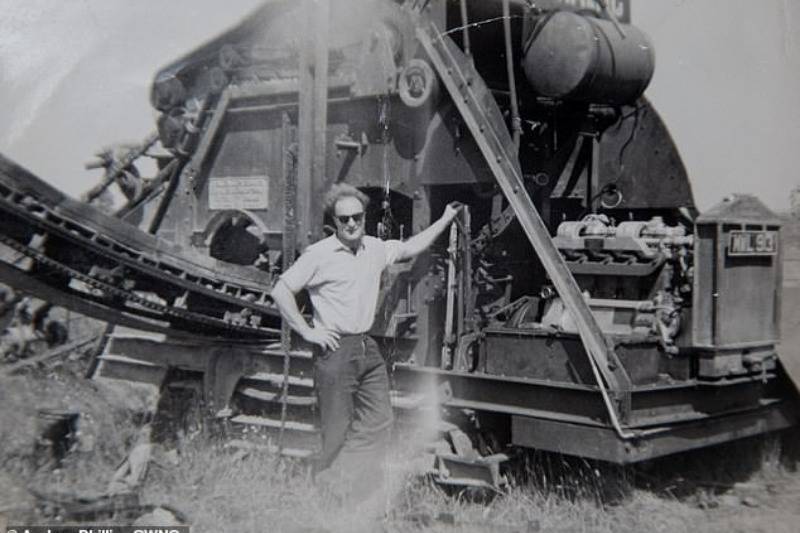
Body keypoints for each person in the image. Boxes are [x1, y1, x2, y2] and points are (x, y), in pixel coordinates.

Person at [271, 183, 460, 497]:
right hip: (334, 350)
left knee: (379, 421)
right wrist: (307, 331)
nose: (350, 224)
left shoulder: (374, 247)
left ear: (364, 217)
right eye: (343, 219)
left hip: (366, 346)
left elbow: (412, 247)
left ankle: (339, 482)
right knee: (336, 429)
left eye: (356, 217)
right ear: (333, 221)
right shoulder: (318, 254)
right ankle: (331, 492)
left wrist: (445, 218)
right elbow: (280, 290)